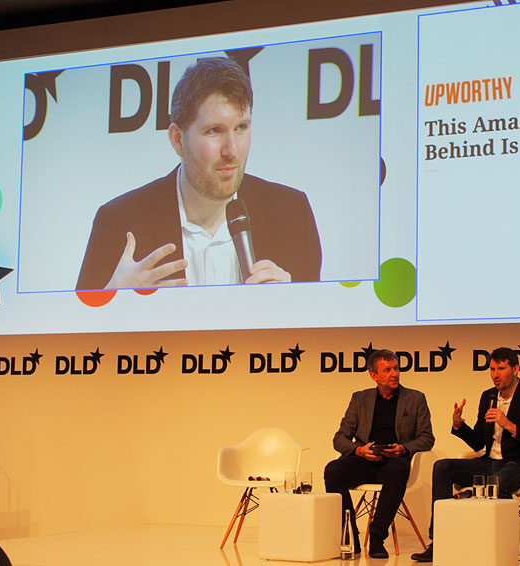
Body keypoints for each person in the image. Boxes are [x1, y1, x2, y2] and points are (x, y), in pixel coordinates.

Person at [76, 57, 321, 291]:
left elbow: (319, 318)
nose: (231, 150)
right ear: (178, 140)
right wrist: (112, 300)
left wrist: (294, 302)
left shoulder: (292, 214)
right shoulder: (119, 223)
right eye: (214, 131)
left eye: (241, 128)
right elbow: (79, 320)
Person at [410, 346, 520, 563]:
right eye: (492, 369)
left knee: (498, 481)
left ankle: (499, 545)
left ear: (516, 369)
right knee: (442, 467)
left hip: (518, 464)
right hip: (488, 463)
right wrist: (459, 426)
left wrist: (509, 425)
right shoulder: (488, 396)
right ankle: (439, 540)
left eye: (501, 369)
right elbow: (479, 442)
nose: (495, 375)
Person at [324, 349, 434, 559]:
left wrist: (403, 449)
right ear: (374, 375)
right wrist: (359, 450)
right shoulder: (360, 399)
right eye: (388, 370)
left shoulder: (415, 398)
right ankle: (350, 535)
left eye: (396, 368)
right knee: (333, 470)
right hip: (364, 461)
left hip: (394, 462)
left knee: (400, 468)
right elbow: (340, 438)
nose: (394, 374)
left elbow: (427, 437)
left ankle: (377, 536)